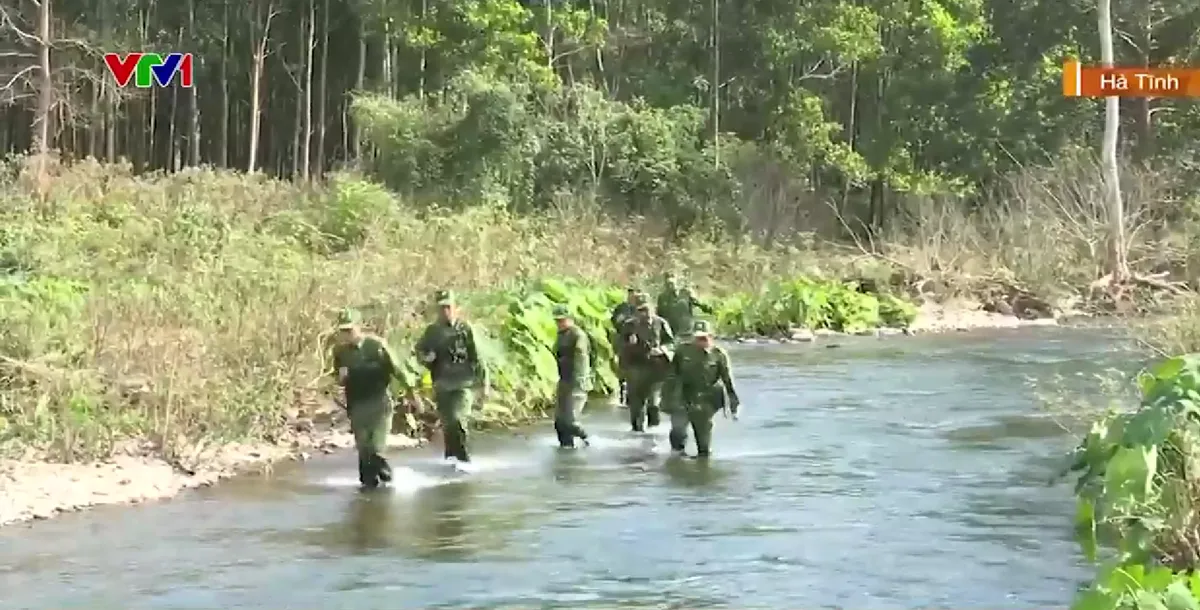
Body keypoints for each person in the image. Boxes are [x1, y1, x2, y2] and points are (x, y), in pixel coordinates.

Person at [414, 290, 489, 463]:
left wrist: (485, 384)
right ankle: (451, 460)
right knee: (448, 426)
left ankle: (465, 460)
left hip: (463, 384)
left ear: (455, 308)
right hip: (442, 385)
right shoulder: (432, 331)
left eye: (448, 307)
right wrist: (426, 358)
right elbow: (419, 351)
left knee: (458, 421)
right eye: (441, 308)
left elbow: (478, 357)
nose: (445, 311)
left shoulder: (465, 329)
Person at [331, 308, 402, 489]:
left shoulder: (377, 346)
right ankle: (368, 489)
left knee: (376, 448)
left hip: (380, 403)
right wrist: (341, 376)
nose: (346, 334)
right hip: (357, 404)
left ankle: (389, 482)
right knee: (364, 450)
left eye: (350, 329)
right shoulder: (340, 352)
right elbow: (338, 380)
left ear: (359, 327)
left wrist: (414, 395)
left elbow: (398, 370)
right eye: (343, 331)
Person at [667, 319, 739, 457]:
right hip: (683, 396)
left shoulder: (719, 355)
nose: (701, 341)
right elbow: (672, 374)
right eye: (698, 338)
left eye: (704, 338)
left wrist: (733, 405)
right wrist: (669, 399)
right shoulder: (682, 351)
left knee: (704, 447)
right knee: (678, 432)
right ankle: (676, 462)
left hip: (706, 401)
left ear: (711, 337)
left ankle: (703, 467)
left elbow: (728, 381)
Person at [620, 294, 675, 432]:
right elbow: (619, 346)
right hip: (636, 366)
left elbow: (671, 343)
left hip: (656, 367)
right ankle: (637, 431)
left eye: (646, 309)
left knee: (654, 402)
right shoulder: (629, 325)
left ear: (653, 309)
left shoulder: (661, 323)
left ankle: (654, 430)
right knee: (636, 402)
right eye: (640, 310)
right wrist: (629, 344)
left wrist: (662, 349)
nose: (644, 313)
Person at [552, 304, 591, 448]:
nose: (559, 324)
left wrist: (579, 380)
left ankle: (588, 440)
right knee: (559, 423)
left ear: (570, 319)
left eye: (562, 320)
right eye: (557, 321)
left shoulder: (578, 335)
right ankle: (566, 448)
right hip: (564, 381)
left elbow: (581, 358)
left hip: (577, 382)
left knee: (570, 421)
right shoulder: (561, 335)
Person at [610, 286, 639, 406]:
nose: (632, 296)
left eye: (635, 294)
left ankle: (633, 394)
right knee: (623, 368)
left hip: (638, 342)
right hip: (623, 341)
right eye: (630, 294)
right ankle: (623, 393)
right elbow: (614, 321)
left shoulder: (641, 308)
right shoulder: (622, 308)